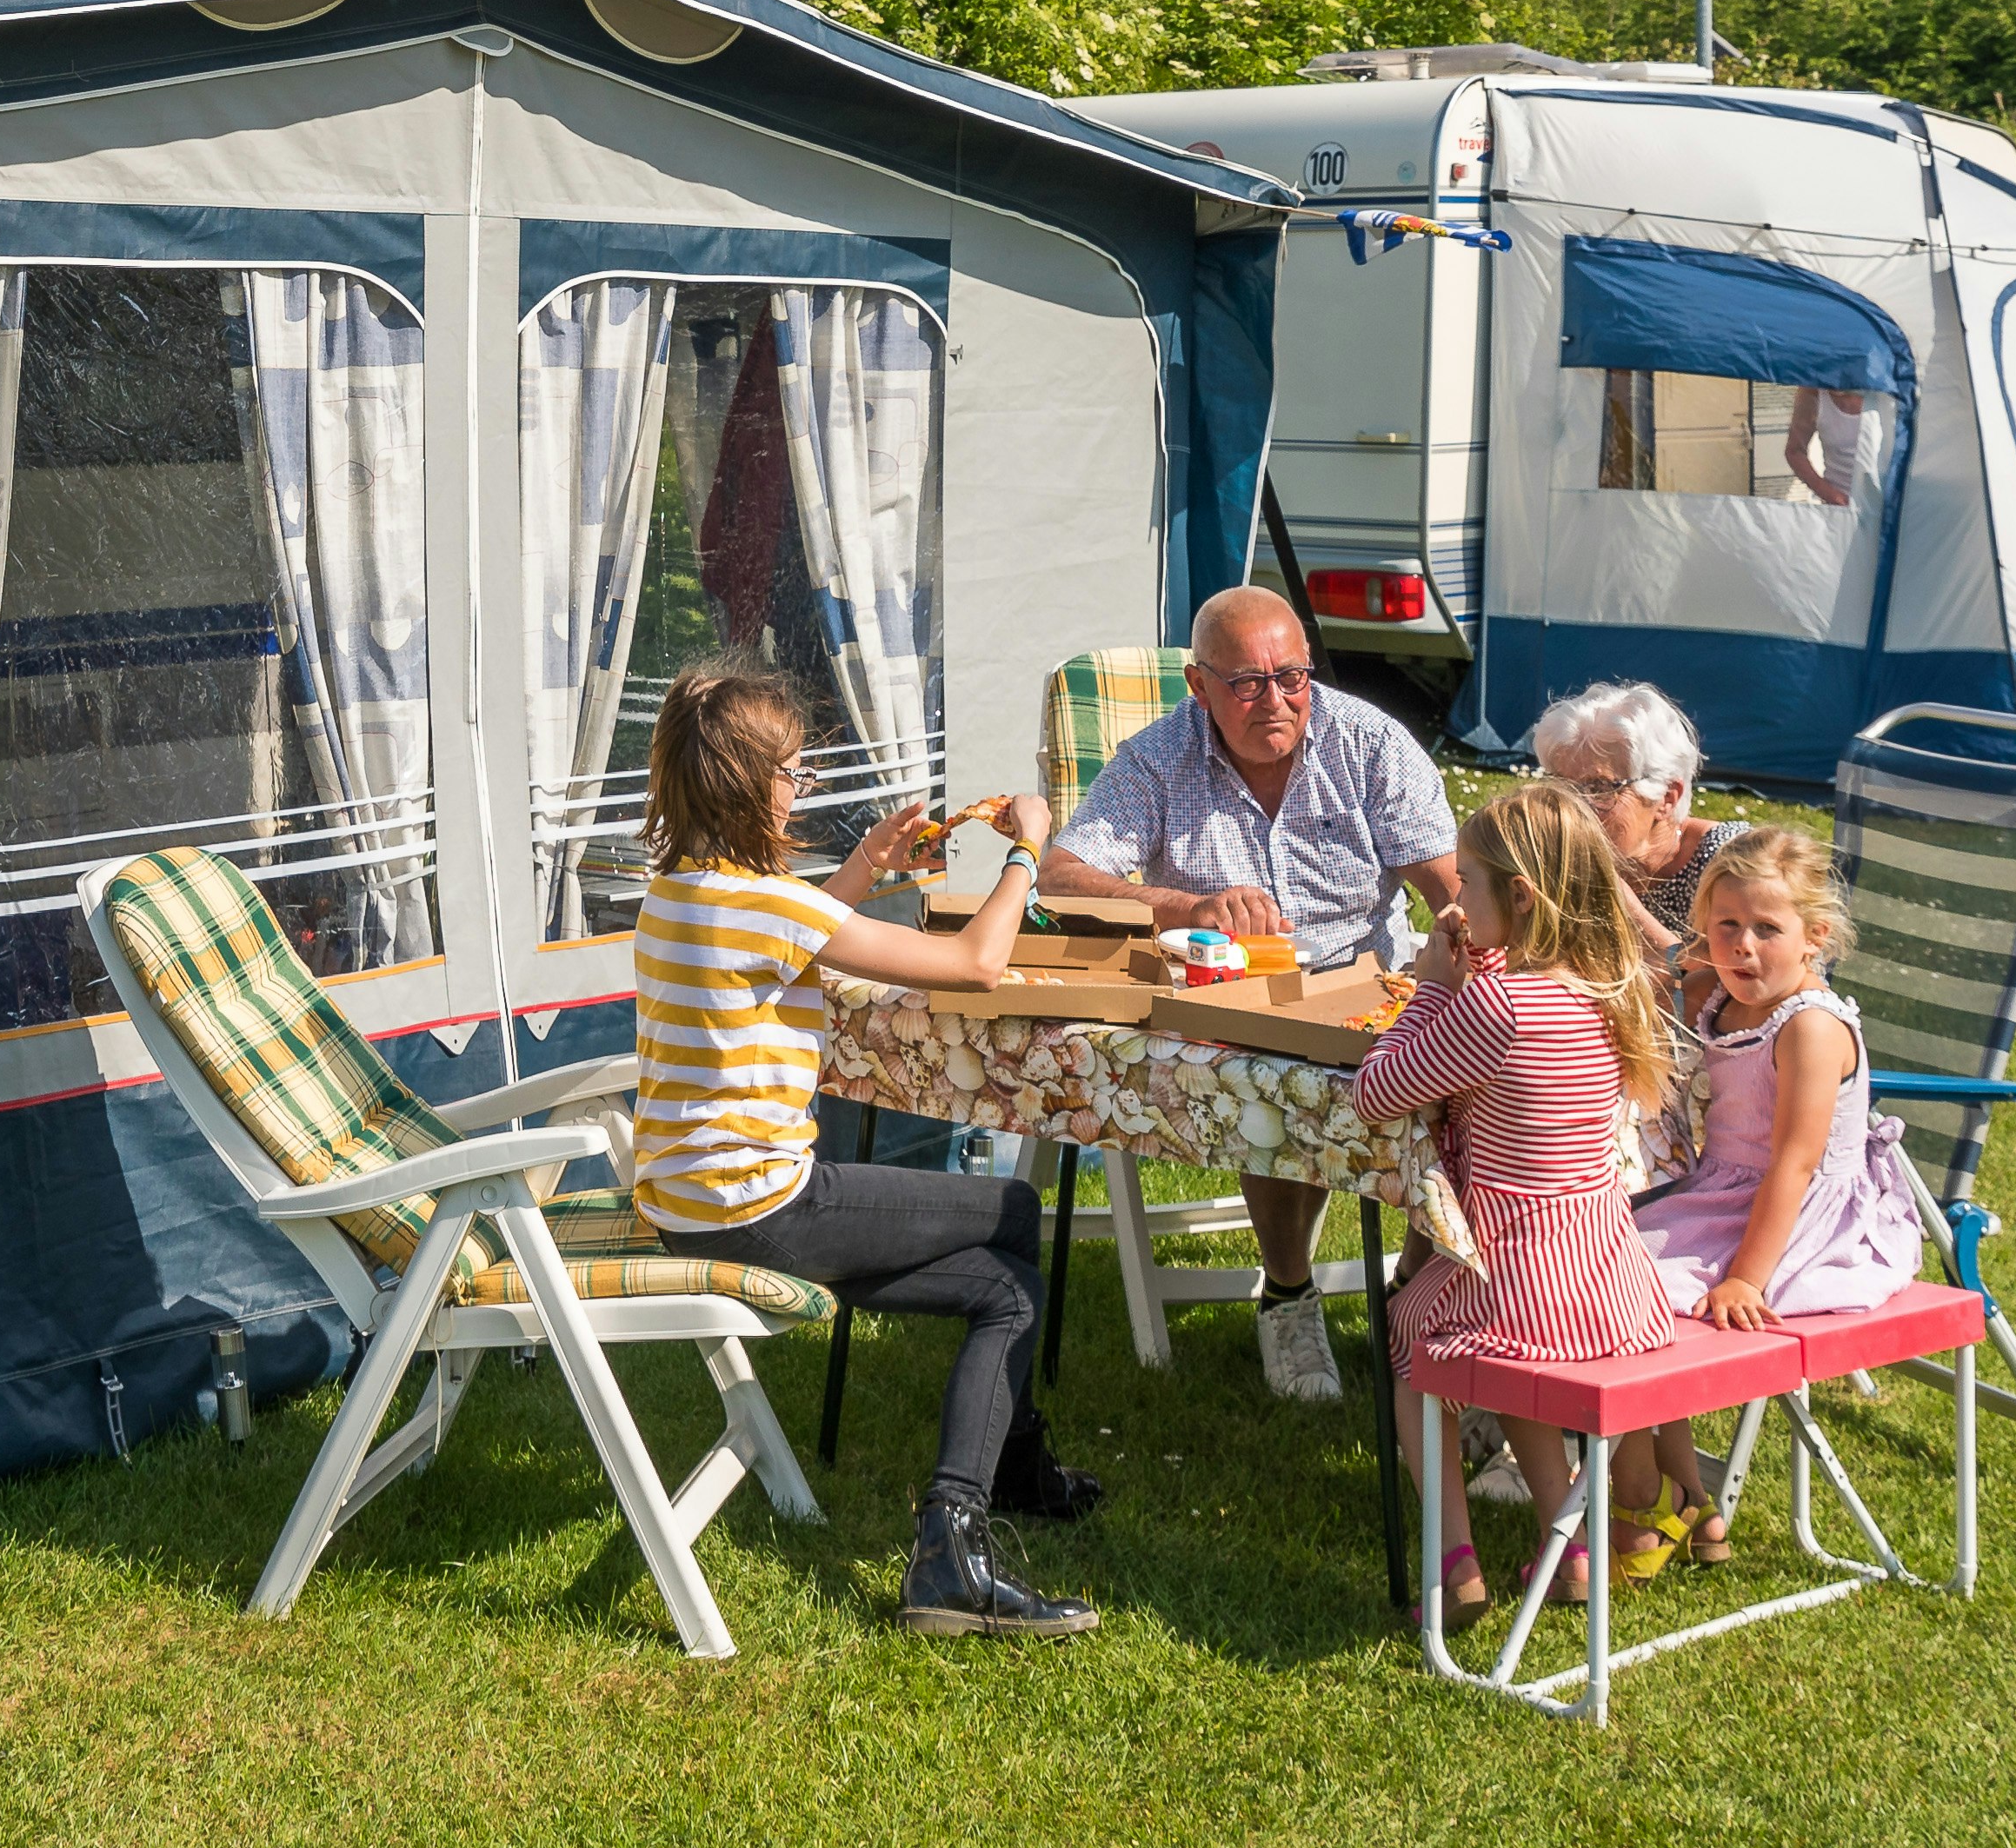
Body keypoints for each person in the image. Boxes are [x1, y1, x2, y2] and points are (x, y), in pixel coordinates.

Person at [623, 663, 1109, 1639]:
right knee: (1016, 1210)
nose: (800, 789)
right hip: (765, 1208)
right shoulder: (769, 904)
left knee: (1006, 1290)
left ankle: (981, 1507)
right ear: (750, 785)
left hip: (686, 1202)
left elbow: (792, 935)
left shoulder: (676, 893)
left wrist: (865, 869)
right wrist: (1027, 848)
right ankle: (958, 1537)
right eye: (793, 772)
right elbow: (975, 963)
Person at [1035, 584, 1460, 1403]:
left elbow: (1450, 890)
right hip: (1235, 997)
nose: (1277, 700)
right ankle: (1289, 1294)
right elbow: (1062, 877)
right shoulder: (1159, 758)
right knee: (1267, 1076)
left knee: (1467, 1076)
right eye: (1248, 683)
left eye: (1292, 677)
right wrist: (1189, 908)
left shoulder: (1368, 742)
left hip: (1369, 984)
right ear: (1199, 686)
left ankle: (1412, 1285)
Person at [1351, 784, 1698, 1627]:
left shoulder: (1497, 1004)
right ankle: (1566, 1546)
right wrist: (1471, 972)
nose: (1454, 898)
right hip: (1605, 1275)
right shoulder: (1602, 984)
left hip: (1518, 1266)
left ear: (1521, 896)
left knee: (1408, 1332)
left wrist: (1433, 988)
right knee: (1511, 1354)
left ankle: (1453, 1564)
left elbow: (1376, 1092)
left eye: (1466, 883)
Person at [1630, 821, 1933, 1559]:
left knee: (1624, 1293)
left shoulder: (1811, 1028)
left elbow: (1794, 1166)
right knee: (1599, 1270)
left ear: (1814, 938)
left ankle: (1647, 1502)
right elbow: (1653, 981)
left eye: (1768, 929)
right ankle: (1690, 1501)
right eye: (1726, 926)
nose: (1744, 947)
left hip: (1797, 1219)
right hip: (1724, 1191)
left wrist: (1744, 1278)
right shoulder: (1722, 993)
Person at [1527, 679, 1723, 938]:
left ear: (1666, 797)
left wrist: (1625, 904)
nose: (1574, 806)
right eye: (1563, 786)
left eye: (1599, 787)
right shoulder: (1549, 852)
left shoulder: (1729, 864)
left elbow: (1738, 962)